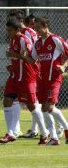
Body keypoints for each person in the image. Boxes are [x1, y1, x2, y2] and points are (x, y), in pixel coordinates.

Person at [0, 17, 49, 145]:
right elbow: (17, 57)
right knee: (7, 101)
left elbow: (31, 59)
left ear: (17, 30)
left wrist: (14, 55)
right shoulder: (13, 39)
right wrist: (12, 64)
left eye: (10, 30)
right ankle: (11, 133)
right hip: (15, 76)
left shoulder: (24, 40)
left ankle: (44, 133)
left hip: (27, 76)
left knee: (31, 105)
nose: (7, 33)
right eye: (6, 30)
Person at [23, 17, 68, 145]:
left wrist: (63, 66)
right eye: (34, 27)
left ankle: (65, 128)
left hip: (54, 78)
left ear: (45, 26)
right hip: (42, 79)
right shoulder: (37, 43)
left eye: (38, 27)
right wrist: (24, 57)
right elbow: (34, 61)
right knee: (43, 108)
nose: (36, 30)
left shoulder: (55, 39)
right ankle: (54, 138)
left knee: (49, 106)